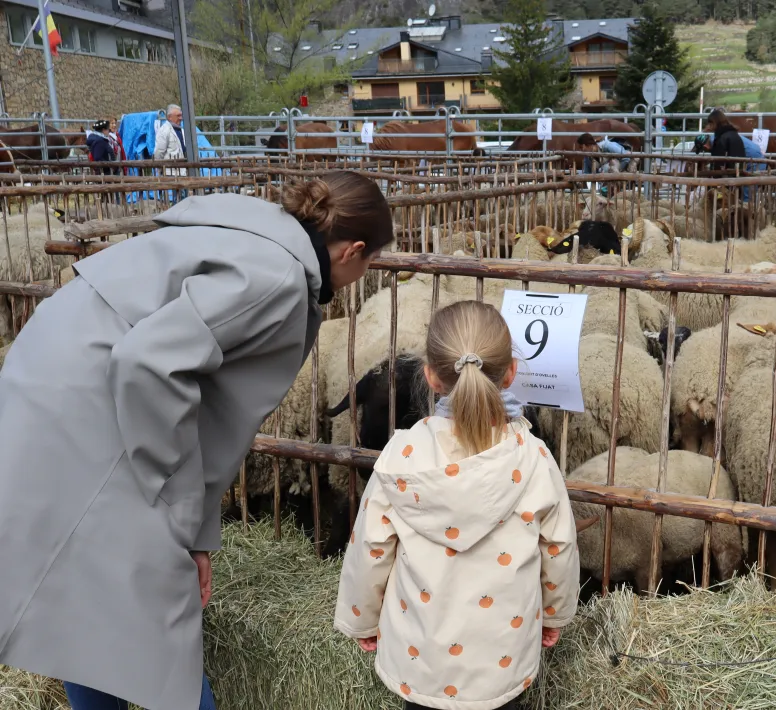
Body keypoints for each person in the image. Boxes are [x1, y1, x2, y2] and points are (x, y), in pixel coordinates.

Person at [0, 171, 394, 710]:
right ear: (352, 251)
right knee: (149, 599)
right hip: (95, 405)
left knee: (86, 595)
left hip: (56, 383)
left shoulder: (250, 231)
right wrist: (182, 513)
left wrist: (199, 531)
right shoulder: (277, 277)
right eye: (370, 261)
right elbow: (148, 363)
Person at [334, 299, 580, 710]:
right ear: (512, 372)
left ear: (429, 376)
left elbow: (371, 547)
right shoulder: (533, 457)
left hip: (421, 661)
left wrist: (361, 619)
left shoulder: (402, 455)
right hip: (502, 660)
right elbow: (559, 546)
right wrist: (554, 615)